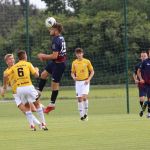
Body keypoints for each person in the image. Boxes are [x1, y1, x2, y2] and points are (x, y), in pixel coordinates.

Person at [3, 51, 47, 131]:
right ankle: (40, 124)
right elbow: (5, 80)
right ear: (6, 61)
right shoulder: (8, 70)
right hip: (16, 93)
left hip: (21, 90)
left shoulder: (16, 67)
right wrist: (4, 89)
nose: (12, 60)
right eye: (10, 59)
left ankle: (38, 118)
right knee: (25, 110)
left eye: (12, 58)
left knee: (31, 109)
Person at [37, 23, 66, 113]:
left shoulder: (56, 40)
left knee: (54, 85)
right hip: (55, 63)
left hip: (59, 65)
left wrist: (43, 56)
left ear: (56, 31)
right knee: (43, 74)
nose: (50, 30)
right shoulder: (60, 37)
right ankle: (38, 92)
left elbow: (54, 56)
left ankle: (52, 104)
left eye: (51, 29)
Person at [71, 48, 94, 121]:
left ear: (82, 54)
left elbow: (92, 71)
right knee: (79, 99)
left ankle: (86, 114)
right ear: (76, 54)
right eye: (77, 53)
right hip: (78, 83)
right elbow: (72, 72)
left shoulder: (87, 61)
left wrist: (88, 79)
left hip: (85, 82)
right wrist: (74, 77)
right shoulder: (74, 62)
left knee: (84, 97)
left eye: (80, 53)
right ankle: (81, 116)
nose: (79, 55)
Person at [138, 50, 150, 118]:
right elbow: (138, 71)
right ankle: (148, 113)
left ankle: (145, 105)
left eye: (144, 56)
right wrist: (141, 79)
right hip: (147, 84)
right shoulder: (145, 62)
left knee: (148, 100)